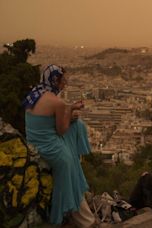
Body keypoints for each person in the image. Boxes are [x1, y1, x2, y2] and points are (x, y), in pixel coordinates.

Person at [23, 65, 95, 227]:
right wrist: (69, 112)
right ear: (55, 80)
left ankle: (74, 161)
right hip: (51, 148)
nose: (66, 83)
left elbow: (45, 122)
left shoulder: (35, 93)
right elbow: (61, 131)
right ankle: (70, 218)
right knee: (71, 173)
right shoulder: (57, 102)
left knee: (78, 124)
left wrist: (69, 110)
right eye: (63, 80)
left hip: (34, 141)